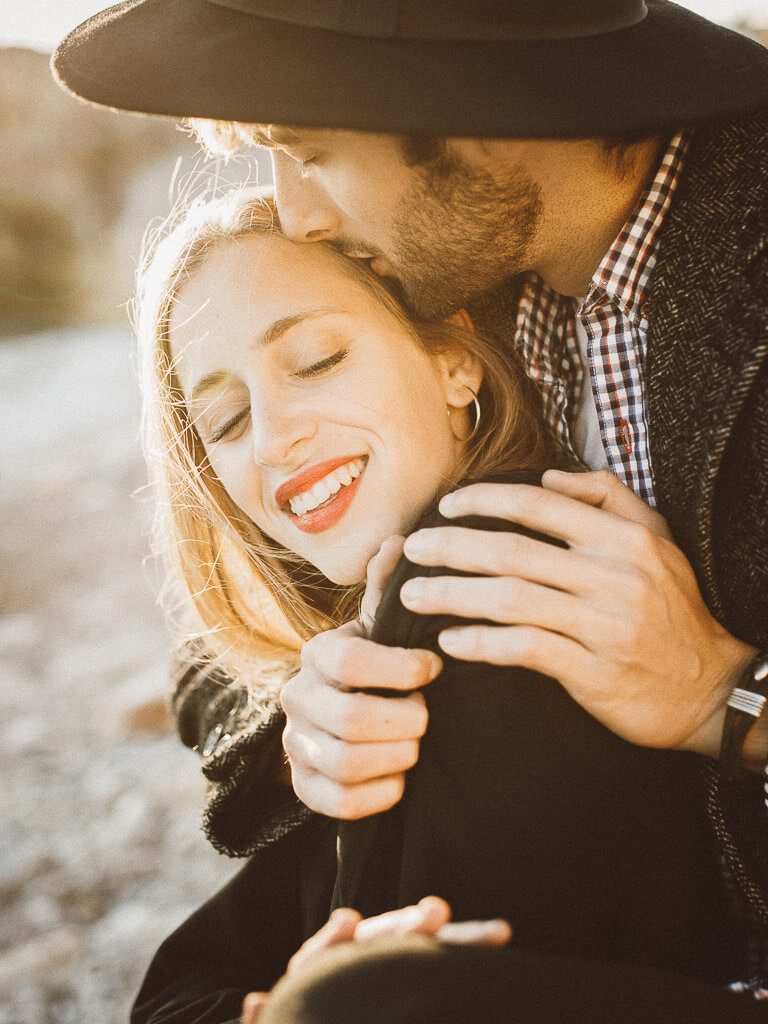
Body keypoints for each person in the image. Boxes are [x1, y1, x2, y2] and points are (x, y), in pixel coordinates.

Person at [53, 0, 768, 1015]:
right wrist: (306, 701)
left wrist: (725, 696)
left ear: (479, 105)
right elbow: (226, 631)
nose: (296, 212)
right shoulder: (471, 285)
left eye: (311, 152)